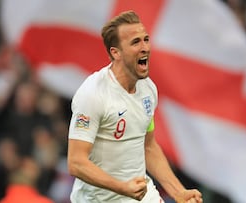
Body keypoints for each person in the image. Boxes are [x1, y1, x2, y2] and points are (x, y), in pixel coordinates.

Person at [67, 10, 202, 203]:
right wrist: (122, 187)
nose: (145, 47)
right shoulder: (93, 93)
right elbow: (76, 163)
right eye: (135, 42)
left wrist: (178, 192)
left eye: (146, 39)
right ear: (116, 53)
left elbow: (149, 147)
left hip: (141, 196)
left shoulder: (148, 89)